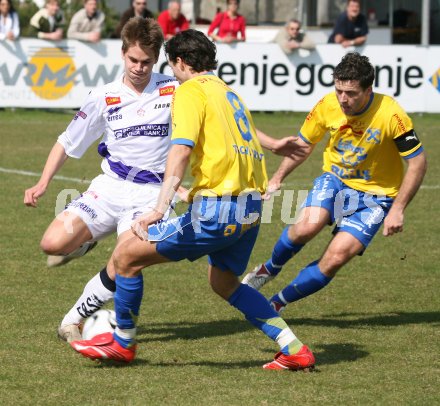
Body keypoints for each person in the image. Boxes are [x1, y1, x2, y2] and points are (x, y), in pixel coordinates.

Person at [70, 29, 316, 371]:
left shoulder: (188, 92)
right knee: (224, 282)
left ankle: (123, 344)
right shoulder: (228, 93)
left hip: (218, 210)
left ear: (181, 62)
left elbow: (181, 148)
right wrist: (273, 145)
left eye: (172, 67)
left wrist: (159, 207)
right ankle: (293, 348)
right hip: (251, 210)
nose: (172, 74)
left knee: (126, 255)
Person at [24, 17, 180, 342]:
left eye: (147, 62)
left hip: (150, 197)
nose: (139, 67)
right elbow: (68, 141)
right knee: (51, 243)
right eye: (133, 60)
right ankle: (86, 242)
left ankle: (73, 318)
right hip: (108, 189)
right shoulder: (105, 96)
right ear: (123, 54)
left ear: (157, 59)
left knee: (125, 260)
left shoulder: (173, 90)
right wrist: (42, 183)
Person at [242, 52, 427, 315]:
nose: (343, 99)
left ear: (368, 89)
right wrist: (276, 178)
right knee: (306, 227)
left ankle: (276, 304)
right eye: (339, 90)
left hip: (378, 197)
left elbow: (418, 162)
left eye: (351, 93)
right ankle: (269, 268)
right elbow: (304, 146)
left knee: (336, 257)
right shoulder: (327, 105)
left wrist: (397, 208)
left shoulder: (392, 114)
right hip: (336, 181)